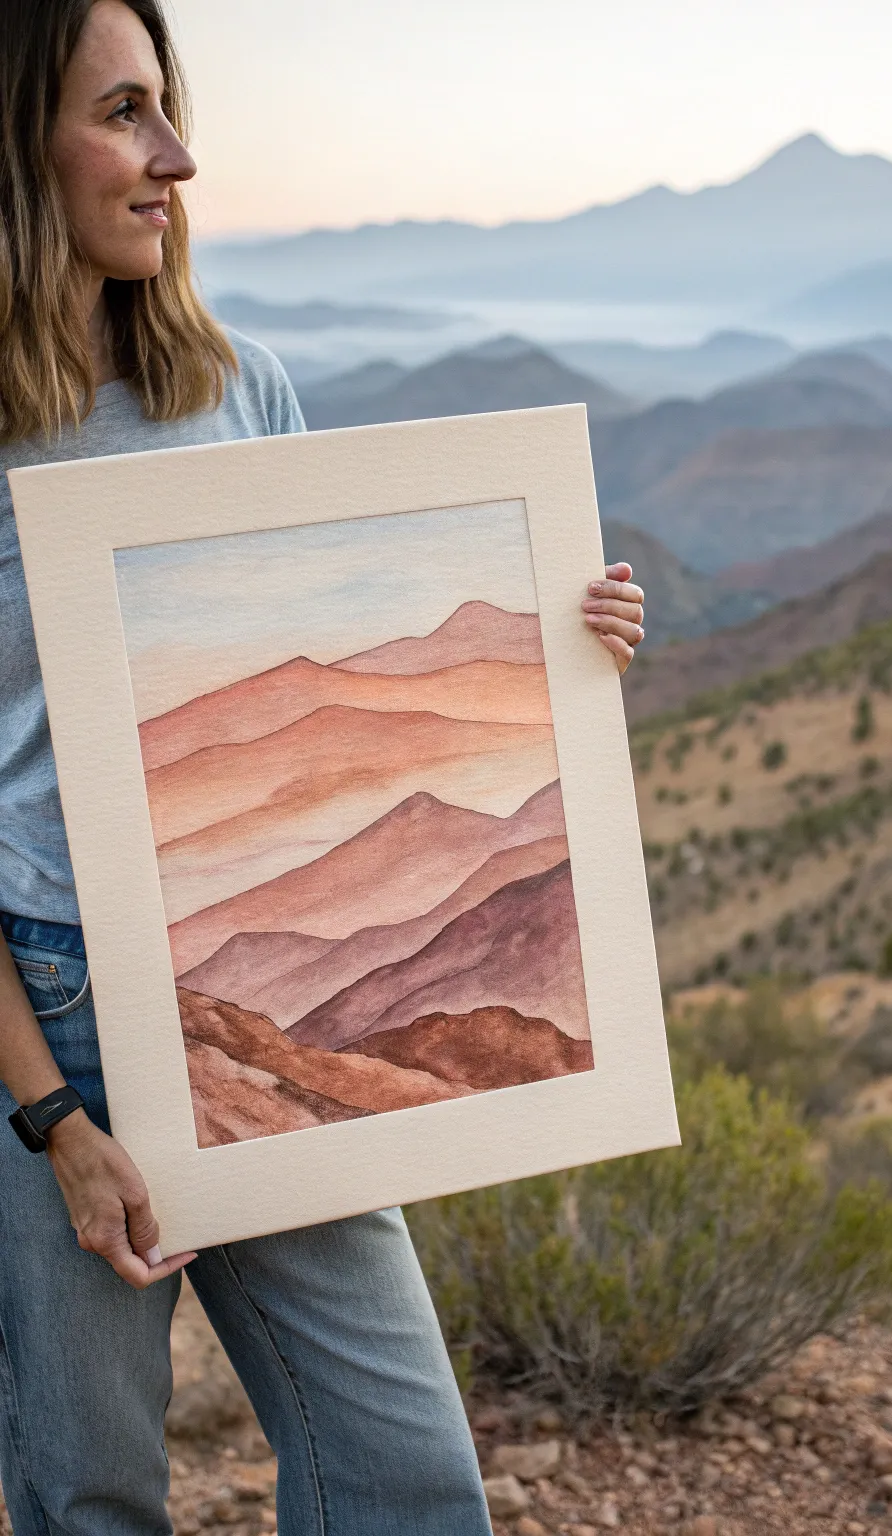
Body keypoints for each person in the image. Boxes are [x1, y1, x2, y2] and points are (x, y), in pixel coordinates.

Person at [0, 2, 647, 1531]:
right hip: (49, 1009)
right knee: (91, 1495)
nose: (177, 157)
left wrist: (560, 651)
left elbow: (348, 642)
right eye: (125, 114)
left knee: (405, 1474)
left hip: (229, 998)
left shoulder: (237, 390)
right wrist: (54, 1123)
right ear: (19, 146)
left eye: (169, 108)